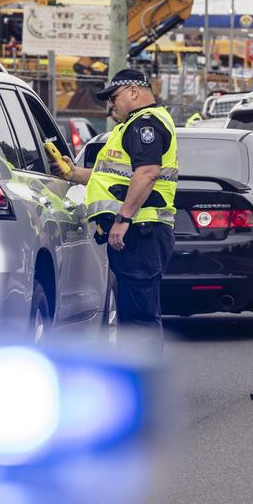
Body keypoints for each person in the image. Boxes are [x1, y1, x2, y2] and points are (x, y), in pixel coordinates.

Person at [53, 68, 177, 354]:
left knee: (138, 317)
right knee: (133, 312)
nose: (110, 105)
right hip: (139, 231)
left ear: (134, 91)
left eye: (114, 97)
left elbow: (147, 173)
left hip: (141, 230)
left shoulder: (145, 124)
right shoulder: (131, 127)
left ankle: (143, 384)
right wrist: (71, 172)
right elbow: (111, 178)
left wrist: (123, 219)